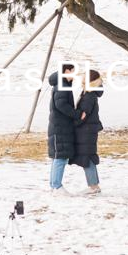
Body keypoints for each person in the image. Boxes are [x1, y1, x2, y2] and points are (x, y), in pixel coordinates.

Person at [69, 68, 104, 194]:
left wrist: (73, 123)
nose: (82, 79)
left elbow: (83, 115)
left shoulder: (89, 95)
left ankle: (93, 186)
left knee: (87, 157)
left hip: (86, 131)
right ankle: (94, 185)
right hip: (88, 129)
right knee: (88, 156)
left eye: (84, 77)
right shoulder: (89, 93)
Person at [47, 62, 77, 194]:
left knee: (58, 157)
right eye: (73, 71)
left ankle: (54, 185)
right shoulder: (62, 86)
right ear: (67, 71)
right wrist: (76, 114)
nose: (75, 74)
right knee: (60, 157)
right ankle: (57, 186)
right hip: (60, 127)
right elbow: (61, 105)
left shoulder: (62, 84)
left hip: (60, 126)